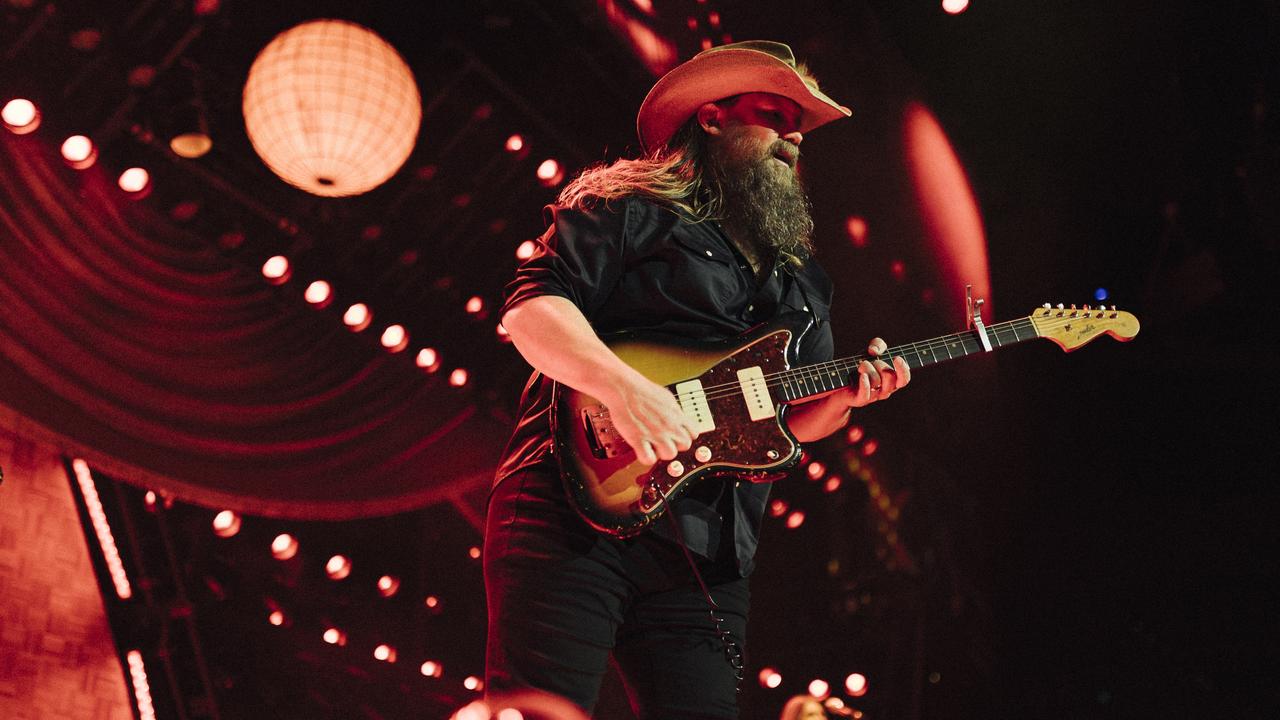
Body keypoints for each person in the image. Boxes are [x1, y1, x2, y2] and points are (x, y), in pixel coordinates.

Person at [485, 40, 911, 718]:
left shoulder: (803, 282)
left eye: (799, 131)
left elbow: (794, 421)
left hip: (704, 557)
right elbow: (532, 310)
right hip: (571, 504)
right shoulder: (629, 207)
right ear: (711, 119)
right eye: (775, 116)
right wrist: (626, 391)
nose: (792, 141)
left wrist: (849, 400)